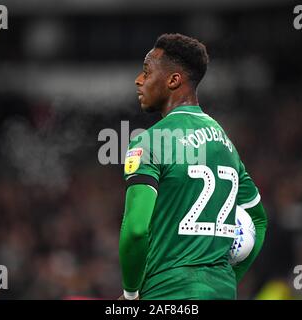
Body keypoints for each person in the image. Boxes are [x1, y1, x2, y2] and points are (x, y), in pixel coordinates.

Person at [118, 33, 268, 300]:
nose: (138, 80)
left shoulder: (150, 141)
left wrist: (131, 294)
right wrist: (228, 280)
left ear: (174, 80)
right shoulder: (226, 144)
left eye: (146, 72)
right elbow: (258, 219)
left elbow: (136, 230)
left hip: (168, 293)